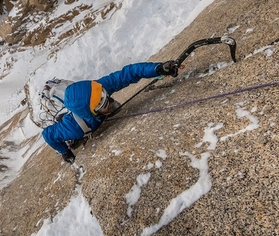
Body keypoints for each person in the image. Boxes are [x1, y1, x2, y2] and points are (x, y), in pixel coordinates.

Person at [41, 61, 179, 164]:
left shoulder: (98, 90)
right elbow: (47, 134)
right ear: (92, 112)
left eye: (104, 95)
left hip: (84, 111)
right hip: (74, 123)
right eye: (102, 103)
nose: (108, 99)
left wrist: (157, 69)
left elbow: (129, 73)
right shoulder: (74, 128)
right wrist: (65, 152)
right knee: (73, 139)